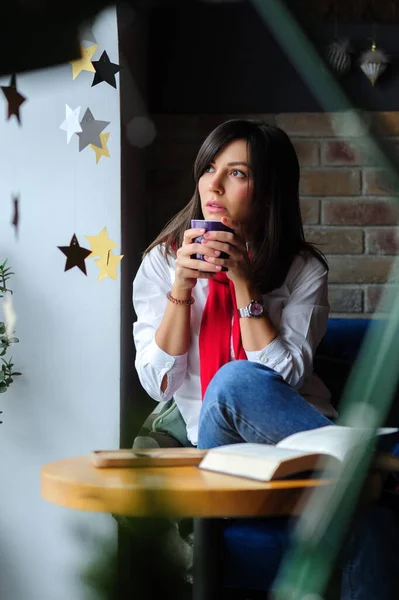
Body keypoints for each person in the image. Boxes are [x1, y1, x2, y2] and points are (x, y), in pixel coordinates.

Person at [132, 118, 399, 598]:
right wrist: (180, 288)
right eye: (209, 168)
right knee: (232, 381)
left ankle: (360, 476)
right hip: (214, 445)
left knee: (368, 525)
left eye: (236, 173)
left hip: (290, 441)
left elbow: (285, 378)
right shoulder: (160, 262)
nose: (213, 184)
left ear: (268, 192)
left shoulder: (301, 270)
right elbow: (158, 385)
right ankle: (372, 464)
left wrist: (244, 285)